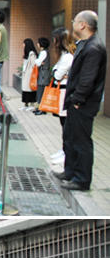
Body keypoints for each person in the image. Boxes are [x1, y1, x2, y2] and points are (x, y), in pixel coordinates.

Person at [54, 10, 107, 191]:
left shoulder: (94, 47)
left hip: (83, 104)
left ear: (82, 25)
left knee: (81, 141)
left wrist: (77, 100)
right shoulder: (86, 44)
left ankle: (81, 179)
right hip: (75, 101)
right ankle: (70, 172)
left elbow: (87, 79)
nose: (73, 24)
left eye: (75, 21)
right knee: (70, 137)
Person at [49, 28, 75, 166]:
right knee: (63, 123)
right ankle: (64, 150)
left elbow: (57, 75)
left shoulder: (68, 57)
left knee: (66, 124)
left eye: (55, 39)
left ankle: (67, 152)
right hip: (62, 91)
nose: (54, 42)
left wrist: (59, 74)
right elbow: (55, 71)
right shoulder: (65, 56)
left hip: (65, 93)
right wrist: (58, 73)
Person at [33, 37, 50, 115]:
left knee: (41, 90)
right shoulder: (46, 51)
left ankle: (41, 108)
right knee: (42, 90)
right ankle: (41, 108)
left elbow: (38, 62)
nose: (37, 44)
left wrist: (37, 60)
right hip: (45, 73)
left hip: (43, 74)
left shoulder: (43, 52)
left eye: (38, 42)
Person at [19, 38, 37, 111]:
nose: (23, 45)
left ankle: (31, 104)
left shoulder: (32, 54)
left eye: (24, 43)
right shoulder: (28, 54)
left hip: (30, 75)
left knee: (30, 90)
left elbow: (34, 65)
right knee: (25, 90)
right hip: (26, 74)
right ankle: (25, 104)